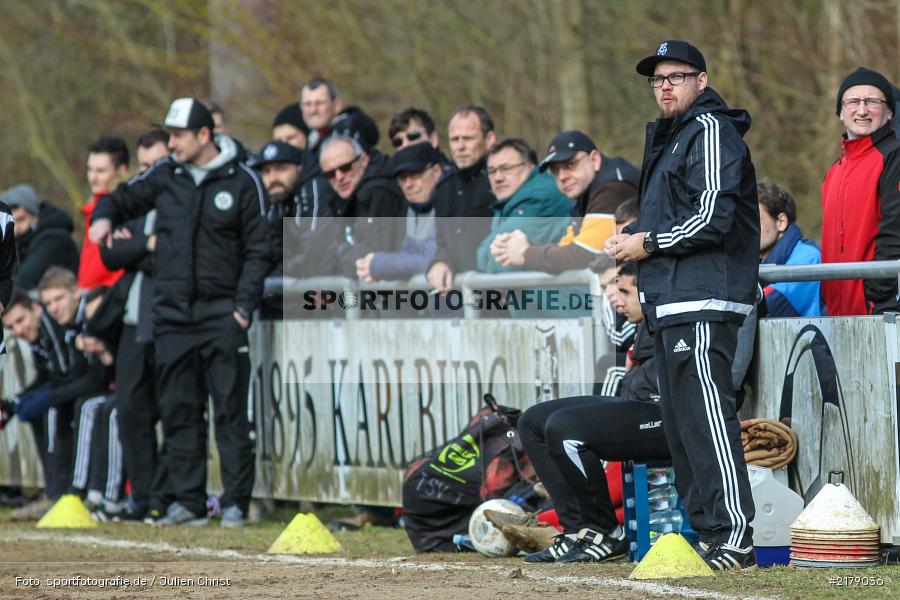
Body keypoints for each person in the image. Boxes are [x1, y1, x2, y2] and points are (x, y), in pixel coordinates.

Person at [606, 40, 758, 571]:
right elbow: (674, 216)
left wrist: (646, 243)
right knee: (681, 424)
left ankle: (735, 537)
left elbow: (713, 216)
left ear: (702, 79)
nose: (665, 85)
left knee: (708, 418)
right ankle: (710, 534)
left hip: (706, 298)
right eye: (657, 79)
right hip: (670, 303)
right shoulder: (672, 137)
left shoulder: (712, 130)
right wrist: (633, 235)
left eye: (676, 75)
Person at [89, 97, 271, 528]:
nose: (171, 143)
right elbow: (122, 199)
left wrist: (242, 309)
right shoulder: (165, 175)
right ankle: (187, 502)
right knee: (178, 411)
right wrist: (102, 217)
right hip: (172, 317)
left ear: (204, 135)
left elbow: (259, 250)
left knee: (229, 412)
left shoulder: (243, 180)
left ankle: (234, 503)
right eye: (168, 134)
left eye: (178, 135)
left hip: (222, 315)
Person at [518, 262, 665, 563]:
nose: (616, 299)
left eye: (625, 291)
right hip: (633, 403)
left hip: (663, 413)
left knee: (564, 427)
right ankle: (576, 530)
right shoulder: (642, 322)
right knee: (532, 421)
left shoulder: (674, 316)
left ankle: (607, 532)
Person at [496, 131, 639, 273]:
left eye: (570, 164)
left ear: (594, 159)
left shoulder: (613, 187)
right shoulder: (584, 192)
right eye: (556, 171)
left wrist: (525, 254)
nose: (562, 176)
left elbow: (585, 255)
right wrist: (526, 246)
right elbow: (568, 247)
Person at [821, 67, 900, 316]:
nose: (862, 110)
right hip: (838, 312)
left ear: (889, 112)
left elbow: (895, 229)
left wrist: (877, 291)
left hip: (881, 310)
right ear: (841, 112)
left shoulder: (894, 156)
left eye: (873, 102)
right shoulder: (835, 169)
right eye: (854, 101)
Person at [426, 106, 497, 292]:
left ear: (489, 139)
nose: (460, 146)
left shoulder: (500, 181)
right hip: (459, 298)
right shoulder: (444, 187)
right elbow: (442, 242)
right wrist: (441, 261)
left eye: (468, 138)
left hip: (499, 294)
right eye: (454, 139)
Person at [476, 138, 570, 273]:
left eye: (506, 168)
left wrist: (480, 258)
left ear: (530, 167)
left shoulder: (539, 196)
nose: (498, 178)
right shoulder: (510, 199)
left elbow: (500, 262)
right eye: (492, 171)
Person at [355, 143, 444, 283]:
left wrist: (379, 265)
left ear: (437, 171)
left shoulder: (450, 202)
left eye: (415, 174)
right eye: (402, 178)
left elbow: (432, 258)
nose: (408, 184)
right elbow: (407, 256)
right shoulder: (409, 208)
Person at [319, 135, 406, 277]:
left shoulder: (378, 193)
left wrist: (341, 256)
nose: (339, 177)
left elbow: (373, 254)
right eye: (330, 174)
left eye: (346, 167)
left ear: (364, 160)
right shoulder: (336, 198)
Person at [255, 140, 339, 278]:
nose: (273, 178)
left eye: (281, 168)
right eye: (266, 171)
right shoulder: (278, 196)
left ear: (299, 168)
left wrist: (283, 271)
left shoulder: (314, 190)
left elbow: (316, 251)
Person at [758, 181, 821, 317]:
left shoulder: (809, 258)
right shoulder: (752, 262)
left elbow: (769, 304)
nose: (747, 228)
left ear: (781, 222)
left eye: (756, 220)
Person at [0, 184, 77, 291]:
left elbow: (24, 281)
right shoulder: (21, 243)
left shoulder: (53, 239)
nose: (16, 228)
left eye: (21, 219)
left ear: (36, 215)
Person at [79, 135, 129, 289]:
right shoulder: (91, 209)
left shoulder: (126, 210)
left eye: (100, 171)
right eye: (90, 169)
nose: (92, 178)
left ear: (121, 171)